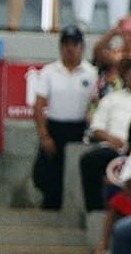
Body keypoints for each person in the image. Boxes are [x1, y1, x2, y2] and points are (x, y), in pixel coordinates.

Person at [31, 25, 94, 211]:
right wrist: (44, 136)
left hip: (79, 128)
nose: (70, 48)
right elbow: (39, 106)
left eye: (74, 44)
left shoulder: (91, 73)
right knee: (47, 174)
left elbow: (95, 103)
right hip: (55, 128)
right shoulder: (49, 72)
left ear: (82, 47)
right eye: (66, 44)